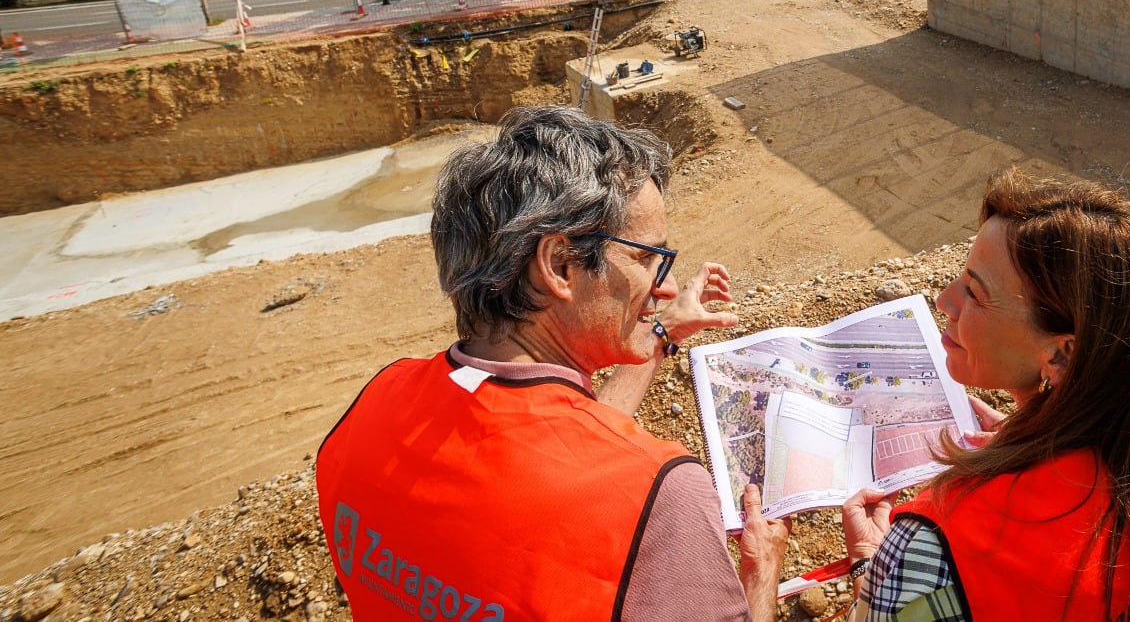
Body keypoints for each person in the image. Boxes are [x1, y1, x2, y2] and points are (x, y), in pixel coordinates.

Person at [316, 106, 790, 622]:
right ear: (559, 265)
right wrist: (760, 576)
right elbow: (588, 471)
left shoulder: (377, 404)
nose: (668, 286)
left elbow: (560, 449)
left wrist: (659, 332)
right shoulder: (664, 496)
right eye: (646, 258)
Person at [841, 171, 1130, 622]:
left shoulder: (929, 549)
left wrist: (867, 567)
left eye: (975, 292)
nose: (945, 300)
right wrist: (1035, 424)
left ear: (1063, 354)